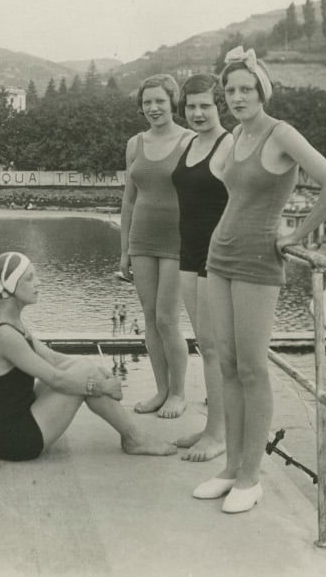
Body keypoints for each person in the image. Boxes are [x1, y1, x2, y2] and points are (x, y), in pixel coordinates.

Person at [195, 47, 326, 514]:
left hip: (260, 260)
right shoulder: (235, 135)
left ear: (263, 91)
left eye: (246, 89)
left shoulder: (281, 134)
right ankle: (229, 470)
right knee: (225, 364)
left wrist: (296, 233)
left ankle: (251, 476)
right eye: (230, 90)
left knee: (251, 368)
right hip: (219, 255)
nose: (237, 97)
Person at [0, 252, 175, 461]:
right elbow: (55, 379)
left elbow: (53, 359)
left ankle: (133, 436)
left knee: (85, 367)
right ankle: (134, 438)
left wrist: (100, 373)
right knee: (84, 376)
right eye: (29, 278)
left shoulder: (10, 321)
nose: (38, 282)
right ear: (10, 287)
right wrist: (101, 387)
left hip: (18, 417)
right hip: (13, 441)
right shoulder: (5, 334)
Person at [119, 73, 193, 418]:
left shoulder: (192, 141)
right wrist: (124, 249)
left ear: (172, 103)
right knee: (150, 319)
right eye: (147, 102)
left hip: (179, 239)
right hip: (142, 239)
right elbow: (129, 200)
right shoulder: (135, 144)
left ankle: (178, 393)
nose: (153, 108)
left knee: (167, 319)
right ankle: (161, 391)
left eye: (160, 101)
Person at [169, 73, 232, 462]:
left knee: (215, 349)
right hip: (188, 253)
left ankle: (218, 434)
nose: (197, 113)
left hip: (216, 255)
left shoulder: (230, 145)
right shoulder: (191, 143)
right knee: (205, 344)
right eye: (191, 106)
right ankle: (212, 428)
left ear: (218, 107)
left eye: (205, 106)